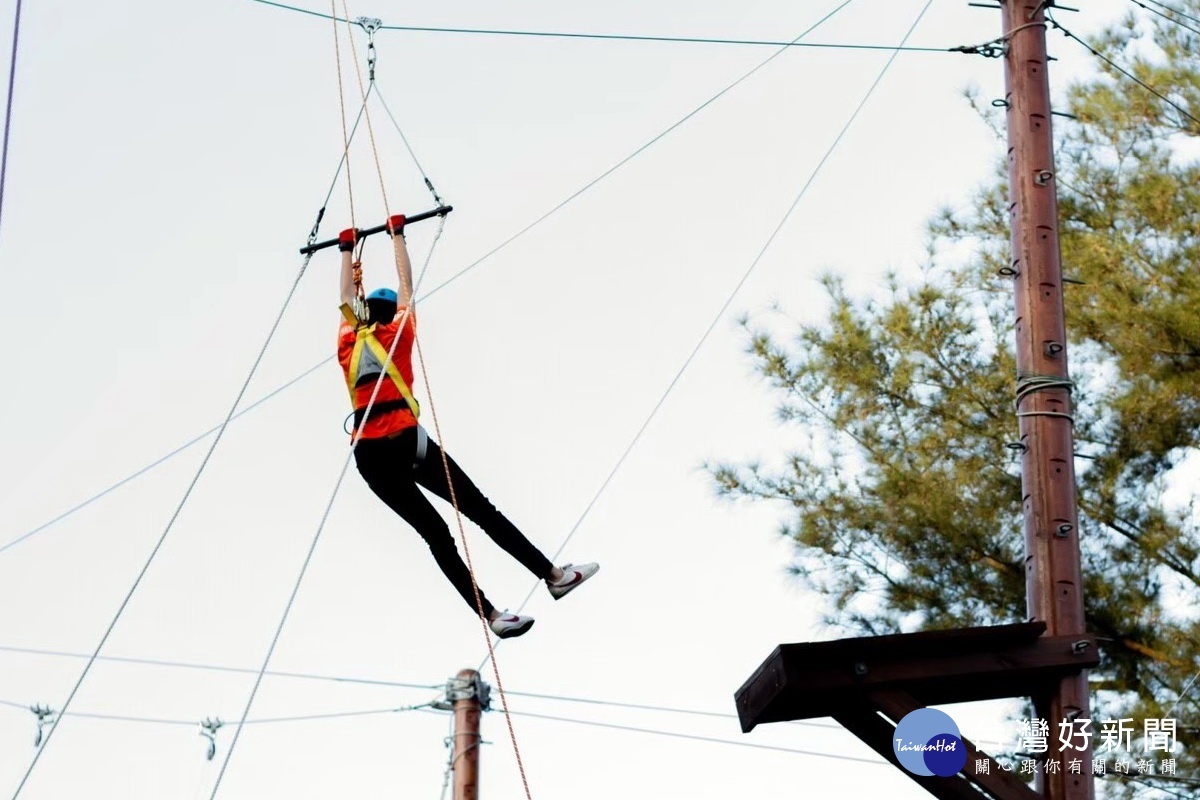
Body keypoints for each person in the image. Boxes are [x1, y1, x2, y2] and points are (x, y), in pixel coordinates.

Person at [336, 215, 598, 639]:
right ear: (390, 313)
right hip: (407, 443)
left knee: (437, 536)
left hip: (370, 457)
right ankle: (553, 575)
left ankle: (493, 616)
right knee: (480, 511)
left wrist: (346, 250)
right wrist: (398, 236)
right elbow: (407, 287)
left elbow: (345, 296)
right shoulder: (399, 332)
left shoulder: (347, 342)